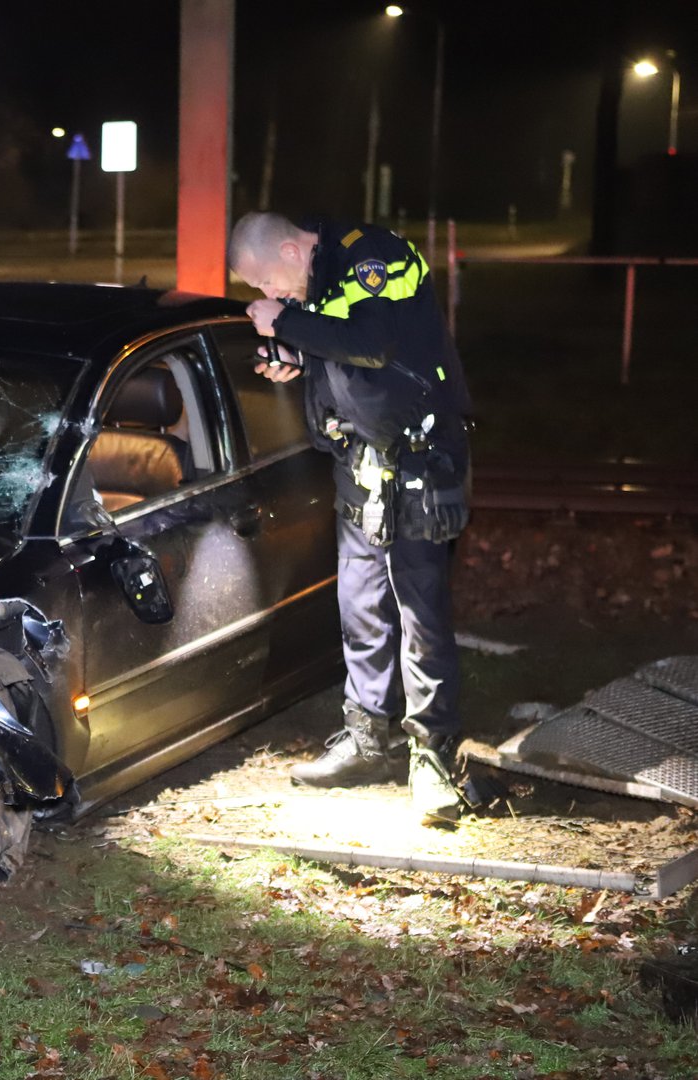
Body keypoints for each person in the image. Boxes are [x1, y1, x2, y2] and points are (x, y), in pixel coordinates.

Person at [227, 211, 472, 825]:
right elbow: (339, 353)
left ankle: (434, 759)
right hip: (361, 464)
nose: (268, 295)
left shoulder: (375, 257)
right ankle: (367, 743)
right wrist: (293, 357)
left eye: (266, 282)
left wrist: (284, 321)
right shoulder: (317, 283)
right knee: (360, 605)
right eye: (262, 292)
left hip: (417, 461)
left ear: (290, 248)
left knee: (419, 610)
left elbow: (372, 342)